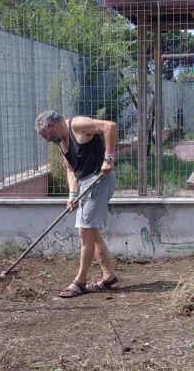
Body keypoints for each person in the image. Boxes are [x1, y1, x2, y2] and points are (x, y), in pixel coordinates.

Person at [35, 110, 118, 298]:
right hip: (84, 184)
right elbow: (71, 170)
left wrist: (109, 158)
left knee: (85, 230)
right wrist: (72, 194)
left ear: (51, 126)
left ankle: (80, 282)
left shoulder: (77, 125)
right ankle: (109, 276)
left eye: (44, 134)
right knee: (91, 232)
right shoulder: (60, 142)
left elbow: (110, 126)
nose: (46, 139)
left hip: (99, 178)